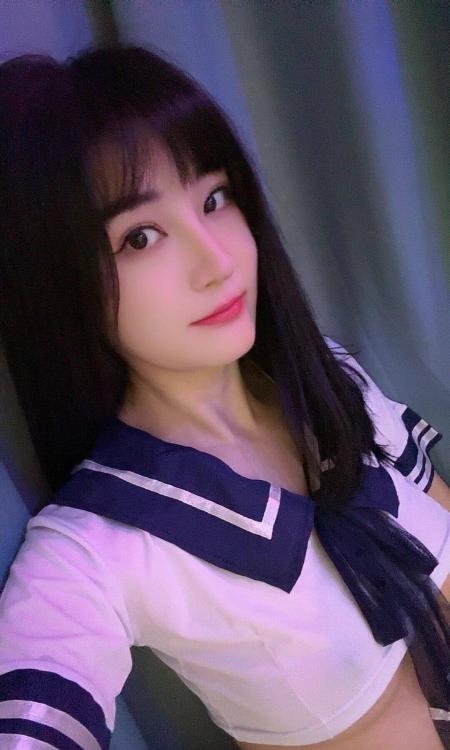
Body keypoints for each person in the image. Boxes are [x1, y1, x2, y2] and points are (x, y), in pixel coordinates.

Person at [0, 43, 448, 750]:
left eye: (215, 199)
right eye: (141, 237)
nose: (217, 260)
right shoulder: (96, 546)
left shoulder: (326, 377)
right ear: (58, 282)